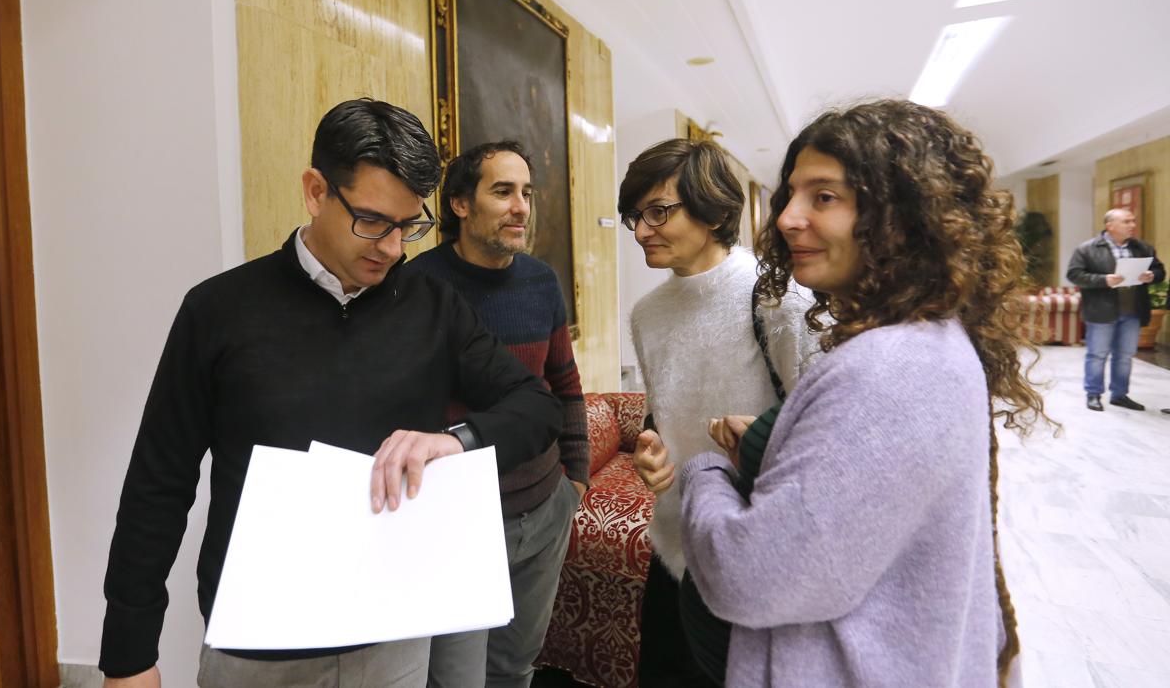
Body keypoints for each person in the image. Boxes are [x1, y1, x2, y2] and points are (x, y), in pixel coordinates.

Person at [99, 99, 562, 688]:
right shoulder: (218, 310)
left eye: (409, 226)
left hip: (393, 633)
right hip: (259, 643)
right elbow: (158, 483)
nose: (393, 248)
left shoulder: (432, 308)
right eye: (372, 222)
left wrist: (458, 441)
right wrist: (129, 653)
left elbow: (537, 406)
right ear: (317, 191)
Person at [678, 99, 1050, 687]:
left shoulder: (889, 368)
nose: (787, 218)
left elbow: (752, 577)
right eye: (792, 194)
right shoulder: (921, 341)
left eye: (824, 197)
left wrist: (702, 475)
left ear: (902, 218)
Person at [619, 138, 816, 687]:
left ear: (712, 210)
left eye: (659, 211)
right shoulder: (647, 315)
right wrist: (653, 449)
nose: (640, 231)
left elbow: (820, 433)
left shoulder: (777, 299)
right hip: (675, 548)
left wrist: (757, 440)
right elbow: (661, 414)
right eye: (634, 216)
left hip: (754, 553)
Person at [407, 141, 588, 688]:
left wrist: (574, 482)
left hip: (543, 507)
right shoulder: (418, 288)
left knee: (514, 668)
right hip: (458, 517)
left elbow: (564, 384)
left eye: (527, 193)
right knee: (453, 678)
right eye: (503, 191)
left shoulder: (541, 281)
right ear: (460, 204)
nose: (521, 207)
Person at [1066, 208, 1165, 411]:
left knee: (1125, 355)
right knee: (1097, 354)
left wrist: (1151, 276)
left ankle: (1120, 395)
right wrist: (1104, 280)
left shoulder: (1143, 247)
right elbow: (1074, 275)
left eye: (1133, 221)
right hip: (1101, 311)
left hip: (1132, 312)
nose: (1132, 225)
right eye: (1127, 221)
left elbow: (1160, 271)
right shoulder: (1087, 249)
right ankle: (1093, 394)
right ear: (1110, 226)